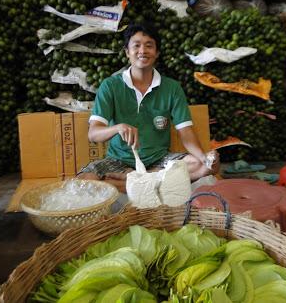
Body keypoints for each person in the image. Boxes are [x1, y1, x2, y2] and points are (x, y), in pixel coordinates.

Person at [77, 23, 219, 192]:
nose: (142, 51)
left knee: (202, 166)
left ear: (157, 53)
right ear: (127, 52)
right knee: (85, 180)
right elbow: (93, 134)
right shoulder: (110, 86)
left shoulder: (172, 88)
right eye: (136, 46)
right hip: (118, 162)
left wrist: (204, 158)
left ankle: (132, 181)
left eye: (149, 46)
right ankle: (148, 182)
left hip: (158, 161)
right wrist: (117, 128)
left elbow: (186, 133)